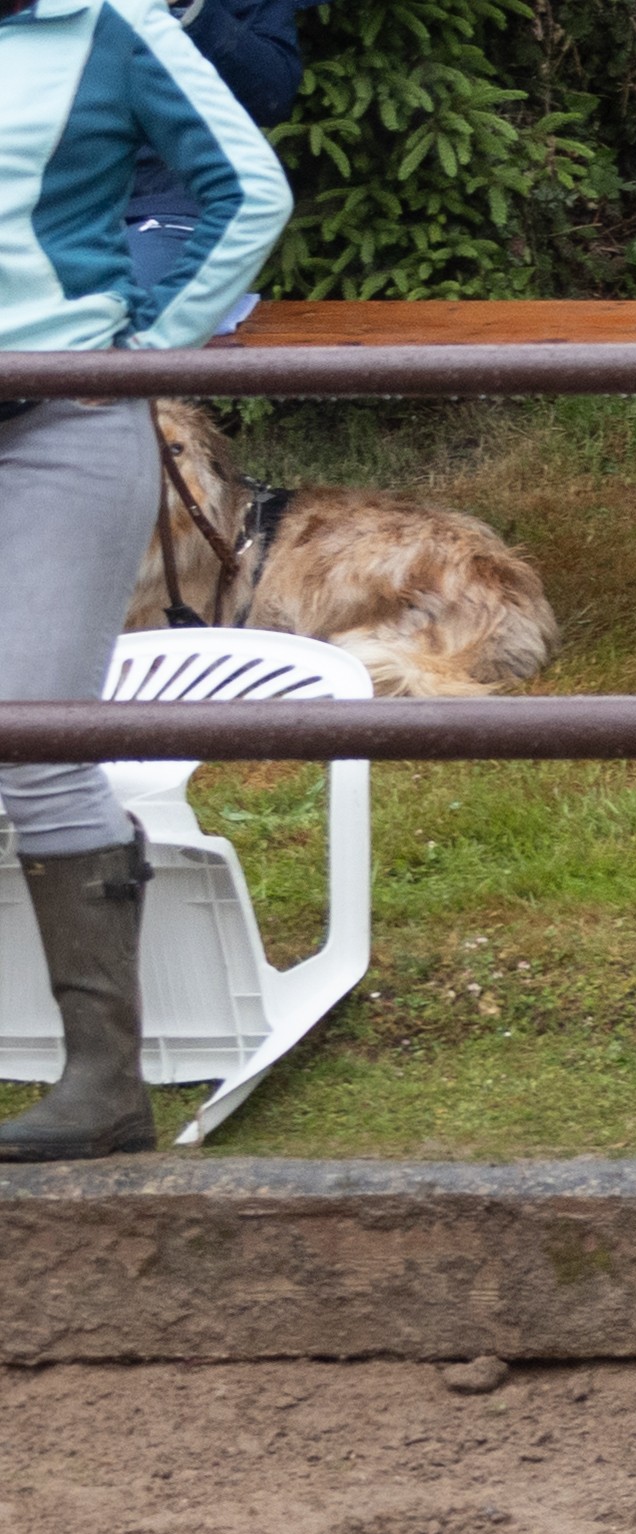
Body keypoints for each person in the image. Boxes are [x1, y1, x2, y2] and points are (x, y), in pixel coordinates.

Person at [0, 0, 291, 1160]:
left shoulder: (110, 26)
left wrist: (142, 353)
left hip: (59, 428)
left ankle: (103, 1083)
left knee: (36, 734)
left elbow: (247, 192)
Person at [123, 0, 318, 297]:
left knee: (130, 303)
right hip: (58, 208)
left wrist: (190, 7)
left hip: (166, 207)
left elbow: (272, 95)